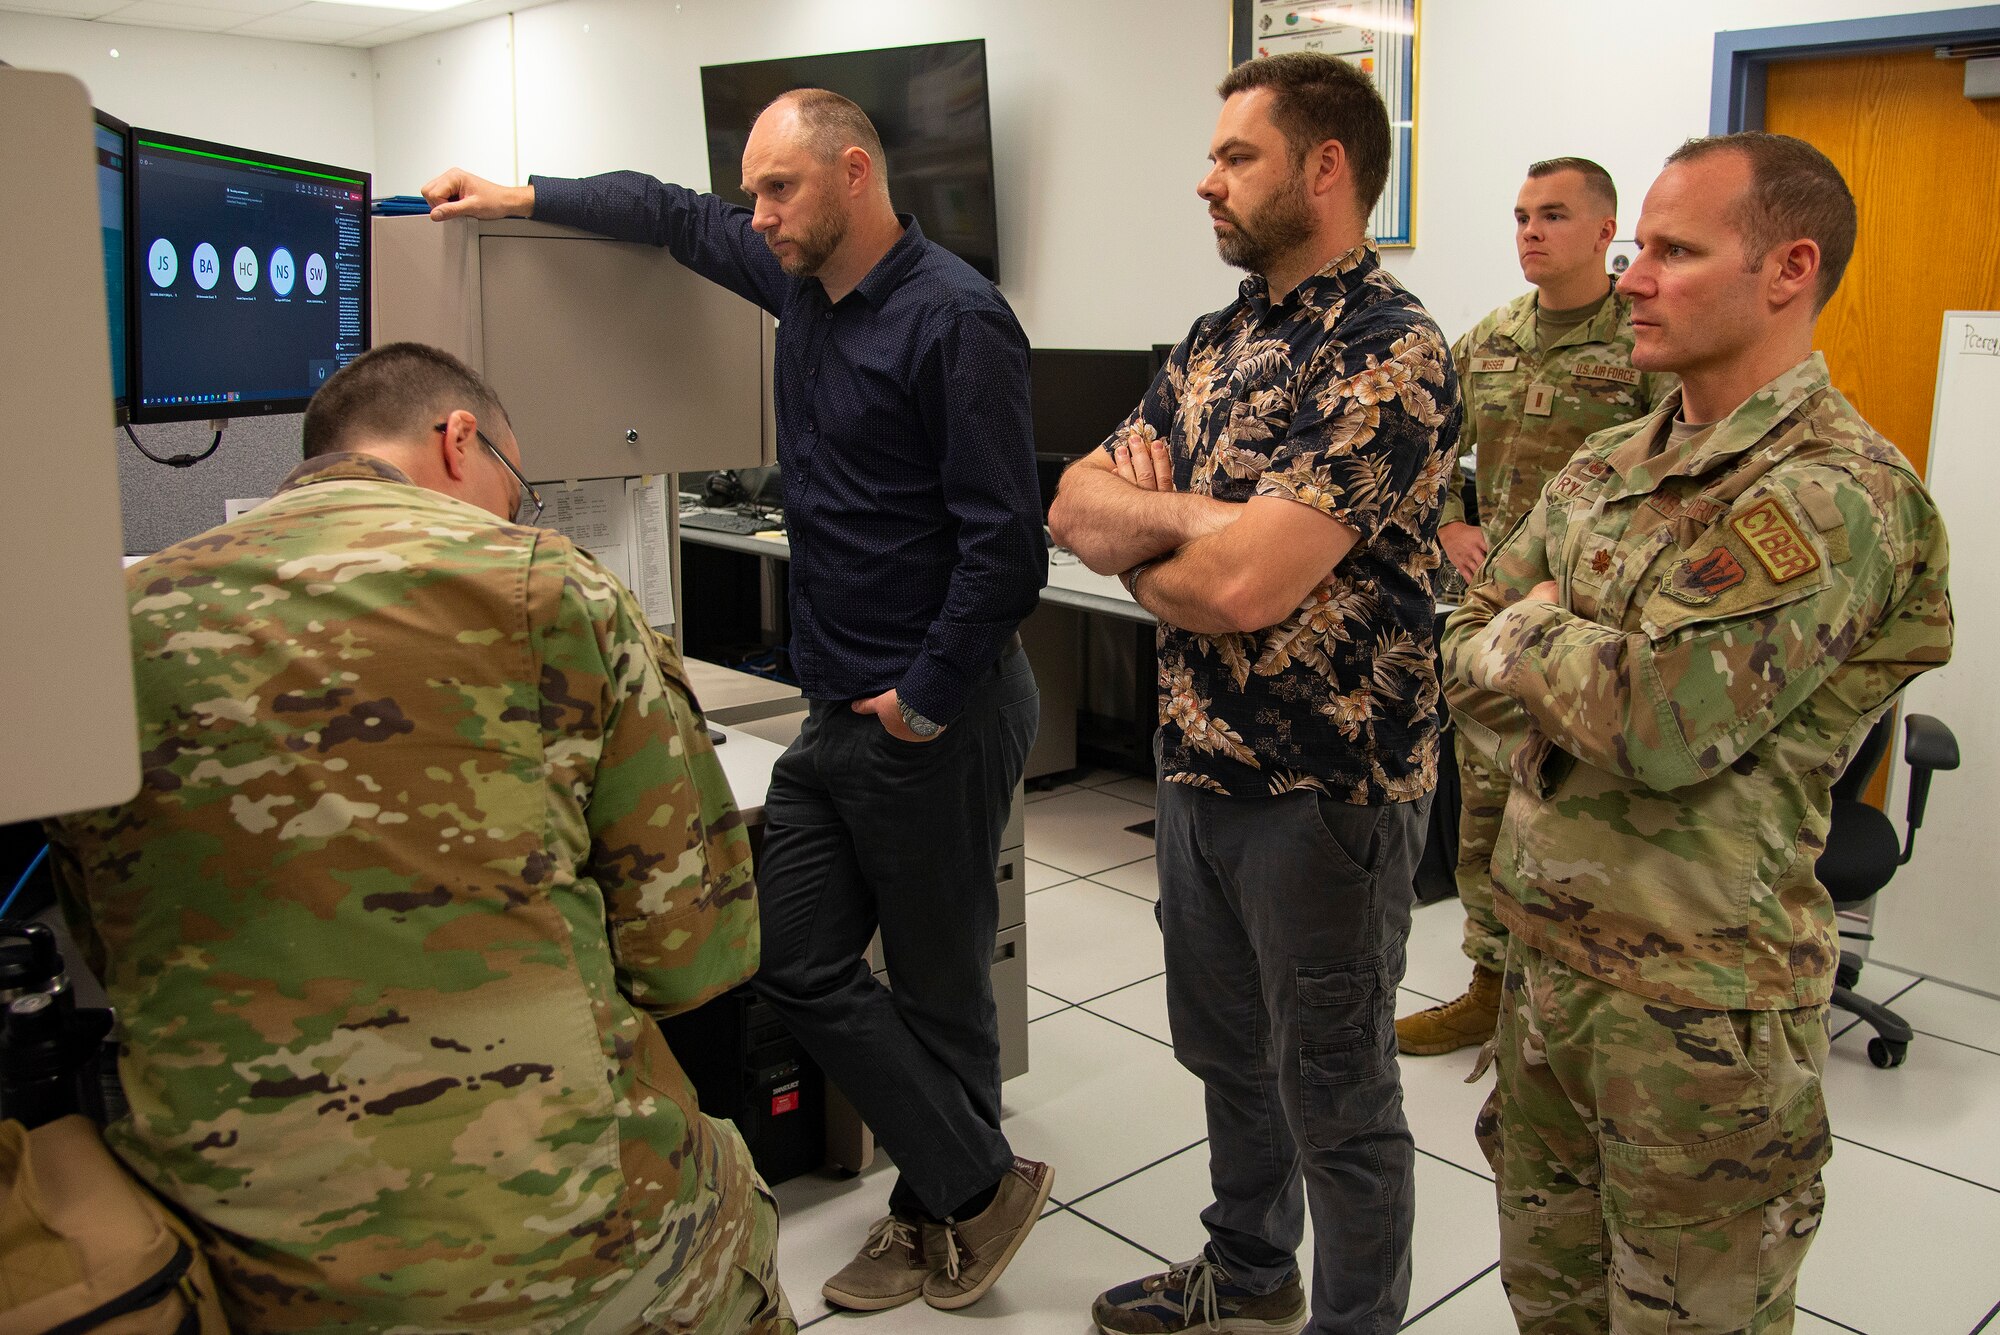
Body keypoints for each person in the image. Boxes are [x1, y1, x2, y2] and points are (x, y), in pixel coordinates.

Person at [421, 87, 1051, 1314]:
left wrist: (919, 701)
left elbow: (1004, 550)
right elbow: (666, 214)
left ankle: (937, 1215)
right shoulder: (802, 284)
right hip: (834, 711)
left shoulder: (954, 321)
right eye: (752, 189)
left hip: (935, 712)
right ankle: (977, 1183)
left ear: (856, 175)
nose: (753, 215)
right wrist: (520, 197)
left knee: (937, 988)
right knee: (794, 961)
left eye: (779, 189)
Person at [43, 343, 790, 1332]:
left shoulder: (106, 622)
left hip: (250, 1265)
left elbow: (102, 936)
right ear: (457, 438)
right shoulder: (545, 587)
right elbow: (688, 952)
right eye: (514, 488)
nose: (514, 514)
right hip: (560, 1241)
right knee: (732, 1202)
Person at [1444, 133, 1953, 1331]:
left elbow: (1656, 724)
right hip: (1544, 978)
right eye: (1636, 250)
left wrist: (1526, 636)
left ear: (1787, 268)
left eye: (1672, 251)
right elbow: (1456, 644)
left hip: (1697, 1015)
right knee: (1547, 1301)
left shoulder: (1834, 494)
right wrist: (1535, 640)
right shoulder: (1607, 463)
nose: (1630, 279)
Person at [1048, 52, 1460, 1335]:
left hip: (1325, 792)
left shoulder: (1391, 354)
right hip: (1195, 766)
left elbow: (1237, 592)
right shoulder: (1216, 340)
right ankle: (1250, 1272)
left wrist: (1167, 554)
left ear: (1322, 170)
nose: (1203, 181)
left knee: (1337, 1092)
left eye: (1235, 158)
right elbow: (1072, 503)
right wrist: (1195, 527)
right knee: (1226, 1054)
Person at [1396, 157, 1674, 1058]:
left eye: (1552, 215)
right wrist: (1446, 525)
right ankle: (1489, 984)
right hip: (1499, 619)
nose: (1529, 232)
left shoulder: (1644, 341)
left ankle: (1581, 1003)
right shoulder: (1493, 338)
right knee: (1484, 808)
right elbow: (1431, 445)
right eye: (1519, 216)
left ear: (1605, 232)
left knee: (1585, 819)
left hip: (1602, 629)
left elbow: (1681, 471)